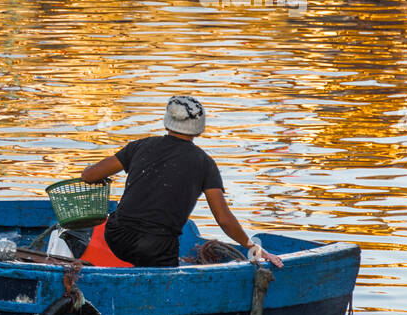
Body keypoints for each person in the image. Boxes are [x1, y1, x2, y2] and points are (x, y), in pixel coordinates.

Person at [79, 96, 284, 268]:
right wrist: (254, 248)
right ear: (200, 128)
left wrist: (88, 171)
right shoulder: (204, 163)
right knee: (161, 270)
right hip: (156, 247)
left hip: (116, 236)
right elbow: (223, 219)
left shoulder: (140, 146)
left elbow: (90, 176)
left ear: (167, 121)